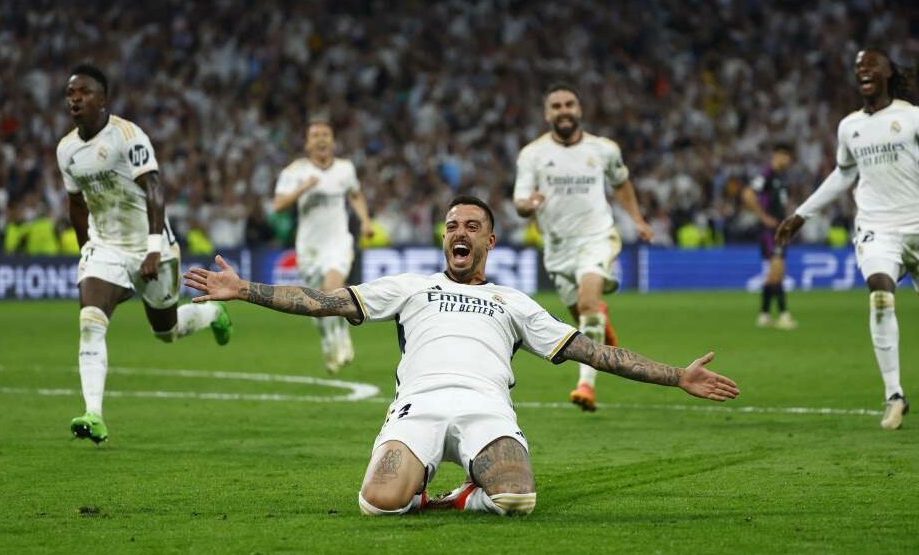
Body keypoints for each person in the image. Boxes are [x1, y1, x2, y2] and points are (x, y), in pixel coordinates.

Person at [184, 195, 739, 516]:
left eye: (472, 226)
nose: (460, 232)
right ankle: (420, 489)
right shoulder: (409, 287)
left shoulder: (513, 302)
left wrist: (677, 376)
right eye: (452, 225)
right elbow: (323, 301)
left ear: (490, 241)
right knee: (376, 504)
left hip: (485, 409)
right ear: (444, 238)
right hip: (418, 408)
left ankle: (459, 498)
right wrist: (245, 290)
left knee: (518, 500)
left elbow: (592, 351)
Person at [57, 64, 232, 444]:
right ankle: (93, 414)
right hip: (106, 246)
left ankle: (212, 313)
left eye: (84, 92)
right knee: (90, 321)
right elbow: (76, 204)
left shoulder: (128, 136)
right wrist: (86, 249)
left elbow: (154, 189)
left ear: (103, 99)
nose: (75, 99)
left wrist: (153, 249)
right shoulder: (66, 150)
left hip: (152, 246)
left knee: (166, 331)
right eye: (70, 93)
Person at [776, 48, 919, 430]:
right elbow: (843, 174)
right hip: (877, 228)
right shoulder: (849, 126)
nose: (863, 70)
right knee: (880, 294)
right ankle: (894, 395)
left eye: (871, 64)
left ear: (889, 72)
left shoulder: (911, 118)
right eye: (858, 67)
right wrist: (802, 214)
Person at [513, 83, 654, 412]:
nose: (563, 110)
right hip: (557, 247)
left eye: (569, 104)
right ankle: (601, 322)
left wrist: (637, 219)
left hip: (597, 236)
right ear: (547, 114)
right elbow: (520, 201)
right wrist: (528, 205)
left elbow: (621, 184)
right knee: (583, 316)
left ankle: (585, 386)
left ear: (579, 110)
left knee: (588, 302)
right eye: (556, 106)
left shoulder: (603, 149)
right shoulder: (532, 155)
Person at [272, 120, 374, 374]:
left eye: (325, 134)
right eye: (315, 135)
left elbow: (355, 194)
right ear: (307, 144)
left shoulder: (345, 169)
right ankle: (330, 338)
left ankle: (340, 337)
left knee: (332, 287)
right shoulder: (295, 171)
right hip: (309, 247)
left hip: (338, 242)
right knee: (317, 303)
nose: (321, 139)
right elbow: (278, 205)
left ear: (333, 141)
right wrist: (303, 188)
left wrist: (365, 221)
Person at [742, 143, 798, 330]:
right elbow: (748, 194)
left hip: (780, 230)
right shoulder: (767, 174)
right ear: (778, 155)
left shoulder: (780, 177)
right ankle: (783, 315)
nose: (789, 161)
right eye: (787, 156)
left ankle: (764, 315)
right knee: (777, 271)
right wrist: (763, 217)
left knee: (773, 275)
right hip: (770, 232)